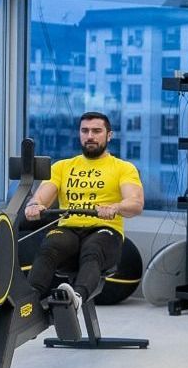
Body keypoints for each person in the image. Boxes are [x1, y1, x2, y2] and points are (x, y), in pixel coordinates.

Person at [24, 111, 144, 313]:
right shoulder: (62, 166)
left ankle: (75, 299)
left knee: (94, 249)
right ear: (79, 134)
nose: (90, 136)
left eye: (97, 131)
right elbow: (40, 198)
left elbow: (135, 203)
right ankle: (29, 303)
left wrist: (115, 207)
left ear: (109, 135)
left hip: (105, 229)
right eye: (85, 131)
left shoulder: (123, 168)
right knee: (51, 245)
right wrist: (34, 206)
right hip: (69, 228)